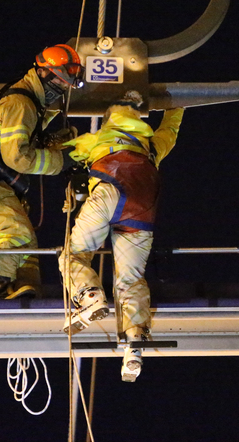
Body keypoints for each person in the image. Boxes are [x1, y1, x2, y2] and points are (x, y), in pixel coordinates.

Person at [59, 91, 184, 382]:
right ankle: (134, 344)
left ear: (108, 118)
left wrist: (72, 189)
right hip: (143, 203)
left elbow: (60, 157)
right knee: (131, 278)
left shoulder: (96, 139)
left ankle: (90, 296)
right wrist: (178, 99)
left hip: (110, 189)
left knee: (74, 255)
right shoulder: (151, 143)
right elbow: (171, 129)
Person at [0, 44, 84, 299]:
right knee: (15, 232)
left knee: (26, 238)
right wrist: (62, 161)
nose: (62, 88)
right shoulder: (21, 103)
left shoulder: (30, 102)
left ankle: (26, 285)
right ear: (44, 74)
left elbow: (22, 142)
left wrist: (57, 141)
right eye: (60, 80)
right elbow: (19, 158)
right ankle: (3, 286)